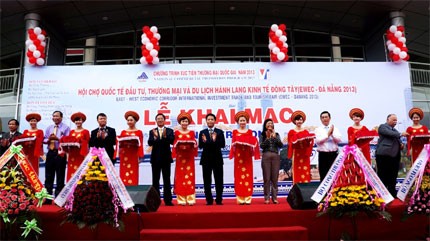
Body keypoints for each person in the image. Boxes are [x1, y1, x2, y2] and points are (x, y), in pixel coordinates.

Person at [229, 111, 260, 205]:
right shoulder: (235, 132)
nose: (242, 122)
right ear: (238, 122)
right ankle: (240, 198)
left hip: (247, 158)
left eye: (244, 120)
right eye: (240, 120)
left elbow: (252, 144)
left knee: (248, 177)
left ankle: (247, 198)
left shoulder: (250, 132)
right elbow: (233, 145)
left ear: (246, 121)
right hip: (238, 158)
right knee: (238, 177)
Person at [376, 114, 407, 197]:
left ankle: (392, 193)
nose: (395, 122)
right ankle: (382, 194)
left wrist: (401, 144)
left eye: (396, 120)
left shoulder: (395, 130)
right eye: (393, 120)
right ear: (387, 120)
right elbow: (390, 133)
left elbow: (398, 138)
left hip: (394, 156)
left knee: (393, 175)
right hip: (384, 155)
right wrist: (400, 134)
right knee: (383, 174)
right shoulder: (382, 127)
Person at [198, 113, 226, 205]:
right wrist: (206, 141)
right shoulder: (202, 132)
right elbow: (201, 146)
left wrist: (214, 141)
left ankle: (219, 199)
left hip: (217, 159)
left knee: (219, 180)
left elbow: (222, 144)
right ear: (206, 121)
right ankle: (209, 200)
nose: (210, 121)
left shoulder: (219, 132)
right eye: (208, 119)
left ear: (215, 121)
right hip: (206, 159)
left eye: (212, 119)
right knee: (207, 181)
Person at [148, 113, 175, 206]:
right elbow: (150, 142)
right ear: (156, 120)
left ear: (164, 120)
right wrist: (155, 137)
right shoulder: (152, 131)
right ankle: (156, 200)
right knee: (155, 180)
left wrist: (164, 137)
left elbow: (171, 141)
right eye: (158, 119)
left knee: (167, 180)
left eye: (161, 119)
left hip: (166, 159)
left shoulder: (169, 131)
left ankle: (168, 200)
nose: (160, 120)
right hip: (155, 159)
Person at [172, 112, 198, 206]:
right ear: (180, 122)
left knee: (190, 177)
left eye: (186, 121)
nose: (184, 123)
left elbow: (194, 144)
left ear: (188, 122)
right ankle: (181, 199)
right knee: (180, 177)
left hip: (189, 158)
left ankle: (190, 198)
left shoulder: (191, 133)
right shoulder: (176, 133)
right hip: (180, 158)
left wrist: (194, 144)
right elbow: (174, 145)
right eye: (183, 121)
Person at [44, 111, 70, 200]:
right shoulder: (49, 128)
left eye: (57, 116)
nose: (55, 117)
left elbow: (67, 141)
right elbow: (44, 139)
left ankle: (59, 199)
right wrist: (49, 139)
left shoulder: (66, 128)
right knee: (48, 175)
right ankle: (47, 198)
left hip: (60, 153)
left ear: (61, 117)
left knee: (60, 175)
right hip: (50, 153)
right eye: (54, 116)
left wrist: (57, 139)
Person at [116, 111, 144, 186]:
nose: (129, 122)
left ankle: (133, 190)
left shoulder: (139, 132)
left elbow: (140, 144)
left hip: (133, 155)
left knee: (133, 173)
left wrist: (140, 156)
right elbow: (120, 145)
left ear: (135, 121)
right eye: (128, 120)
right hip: (125, 156)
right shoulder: (123, 132)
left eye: (131, 120)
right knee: (124, 173)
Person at [259, 118, 283, 204]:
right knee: (267, 178)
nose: (270, 125)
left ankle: (275, 198)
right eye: (268, 123)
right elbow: (261, 146)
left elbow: (281, 145)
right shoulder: (262, 135)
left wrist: (274, 137)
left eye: (271, 123)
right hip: (266, 156)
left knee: (275, 178)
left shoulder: (277, 134)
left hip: (275, 156)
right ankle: (267, 198)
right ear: (265, 125)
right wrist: (268, 138)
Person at [287, 110, 315, 184]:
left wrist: (309, 141)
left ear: (302, 121)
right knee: (297, 171)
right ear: (294, 121)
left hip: (304, 154)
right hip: (296, 154)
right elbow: (290, 144)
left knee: (305, 171)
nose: (299, 121)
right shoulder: (291, 132)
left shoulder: (306, 131)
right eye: (297, 120)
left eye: (300, 119)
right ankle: (296, 188)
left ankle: (306, 189)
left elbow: (309, 144)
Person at [315, 111, 342, 181]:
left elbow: (339, 140)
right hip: (323, 155)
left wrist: (332, 134)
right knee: (323, 175)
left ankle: (334, 191)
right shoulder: (318, 129)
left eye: (326, 117)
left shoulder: (335, 128)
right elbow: (318, 141)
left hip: (333, 155)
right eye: (322, 117)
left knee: (335, 175)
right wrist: (327, 135)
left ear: (329, 118)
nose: (324, 119)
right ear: (320, 119)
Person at [62, 112, 90, 181]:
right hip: (72, 154)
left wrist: (81, 142)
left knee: (81, 171)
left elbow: (88, 143)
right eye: (76, 120)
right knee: (71, 171)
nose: (78, 122)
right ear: (74, 122)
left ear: (82, 121)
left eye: (80, 120)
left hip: (81, 155)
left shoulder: (86, 131)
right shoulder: (72, 132)